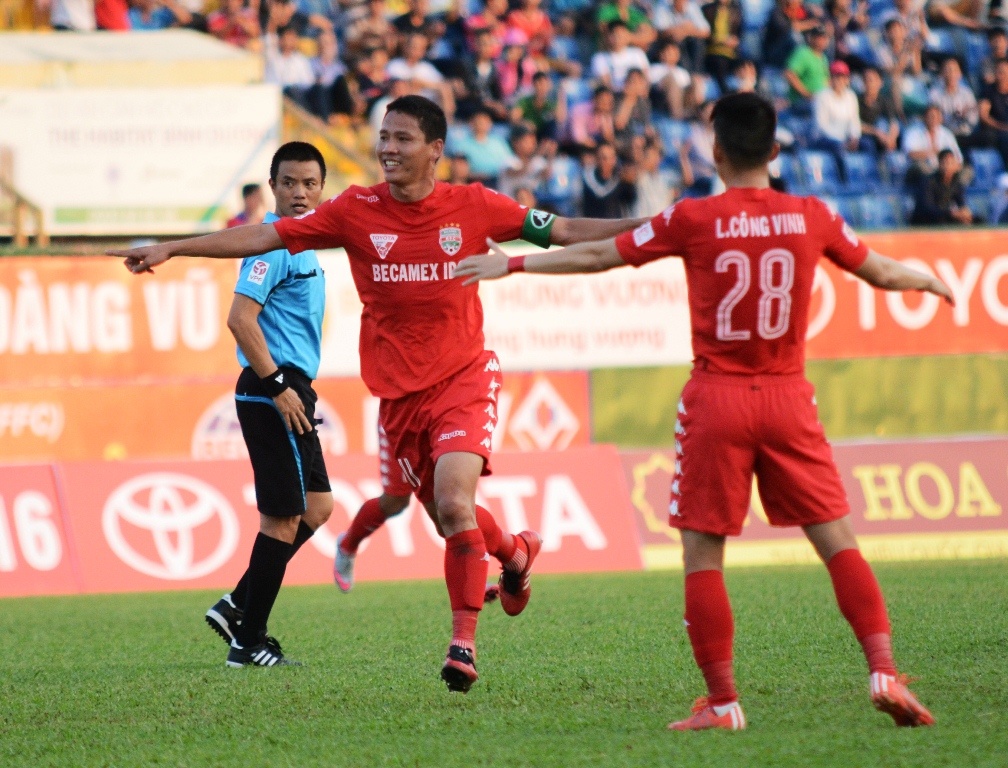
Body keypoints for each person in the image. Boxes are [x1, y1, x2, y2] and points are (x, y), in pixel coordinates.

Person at [116, 95, 650, 693]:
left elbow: (568, 229)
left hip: (464, 378)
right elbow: (263, 236)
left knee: (452, 504)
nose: (388, 148)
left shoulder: (473, 205)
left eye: (402, 138)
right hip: (399, 400)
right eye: (384, 137)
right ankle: (517, 554)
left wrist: (656, 227)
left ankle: (463, 645)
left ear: (435, 150)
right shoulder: (354, 211)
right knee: (452, 515)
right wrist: (172, 246)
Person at [454, 91, 948, 731]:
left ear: (715, 152)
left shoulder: (693, 217)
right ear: (775, 150)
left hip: (718, 398)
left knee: (703, 556)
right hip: (789, 395)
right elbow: (880, 272)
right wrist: (930, 280)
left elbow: (603, 254)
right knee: (836, 542)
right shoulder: (812, 214)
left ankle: (723, 703)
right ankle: (883, 669)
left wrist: (512, 263)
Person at [202, 142, 333, 667]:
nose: (300, 193)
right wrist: (277, 384)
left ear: (322, 188)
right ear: (273, 186)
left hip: (290, 387)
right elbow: (239, 318)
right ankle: (247, 641)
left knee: (317, 509)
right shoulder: (274, 245)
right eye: (289, 183)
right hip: (270, 388)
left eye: (309, 183)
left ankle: (238, 604)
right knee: (282, 518)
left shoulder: (306, 245)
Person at [910, 147, 974, 224]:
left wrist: (964, 212)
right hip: (926, 221)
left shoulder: (956, 183)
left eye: (951, 163)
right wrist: (952, 213)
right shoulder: (928, 181)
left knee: (976, 220)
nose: (948, 166)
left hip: (945, 218)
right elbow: (927, 209)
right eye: (945, 163)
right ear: (940, 164)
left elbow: (961, 203)